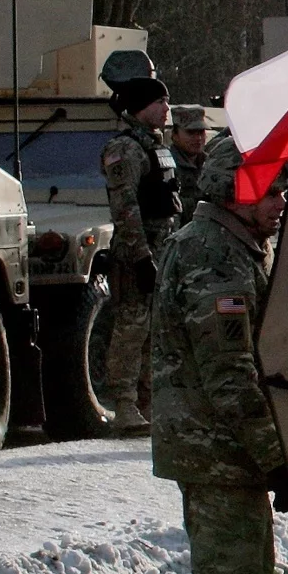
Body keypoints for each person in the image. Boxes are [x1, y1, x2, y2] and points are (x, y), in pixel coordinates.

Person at [148, 134, 288, 574]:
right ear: (239, 189)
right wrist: (275, 457)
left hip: (214, 447)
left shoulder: (226, 245)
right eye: (270, 189)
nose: (279, 202)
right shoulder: (214, 253)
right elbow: (230, 372)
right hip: (218, 450)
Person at [99, 75, 180, 433]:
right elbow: (125, 206)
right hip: (138, 253)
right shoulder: (126, 148)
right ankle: (125, 404)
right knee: (131, 329)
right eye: (159, 102)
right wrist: (140, 256)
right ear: (140, 107)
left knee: (155, 331)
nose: (165, 109)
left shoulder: (153, 145)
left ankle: (149, 401)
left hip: (162, 249)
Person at [167, 105, 210, 219]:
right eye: (191, 133)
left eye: (201, 132)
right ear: (175, 135)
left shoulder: (211, 163)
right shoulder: (167, 165)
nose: (198, 138)